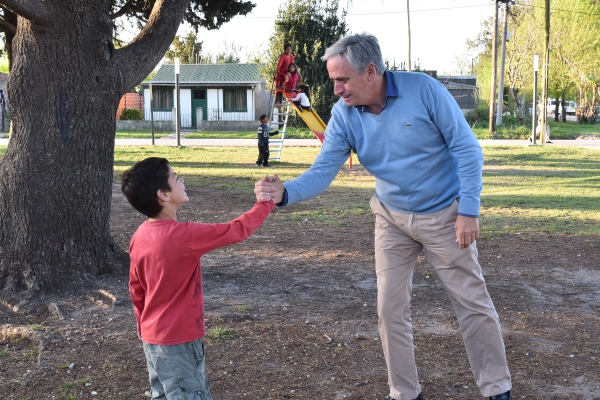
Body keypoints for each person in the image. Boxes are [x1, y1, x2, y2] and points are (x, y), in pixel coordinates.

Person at [272, 33, 512, 400]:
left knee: (471, 302)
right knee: (389, 309)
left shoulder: (424, 91)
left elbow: (467, 150)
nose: (336, 89)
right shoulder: (344, 115)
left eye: (342, 80)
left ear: (371, 72)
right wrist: (284, 192)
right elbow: (322, 173)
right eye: (334, 80)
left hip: (445, 215)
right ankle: (404, 393)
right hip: (391, 218)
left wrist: (468, 210)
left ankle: (497, 388)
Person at [121, 157, 278, 400]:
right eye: (176, 177)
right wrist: (265, 203)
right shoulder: (184, 235)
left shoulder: (139, 236)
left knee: (162, 394)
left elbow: (136, 289)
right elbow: (237, 230)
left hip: (152, 339)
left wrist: (143, 326)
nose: (182, 180)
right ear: (163, 194)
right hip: (178, 340)